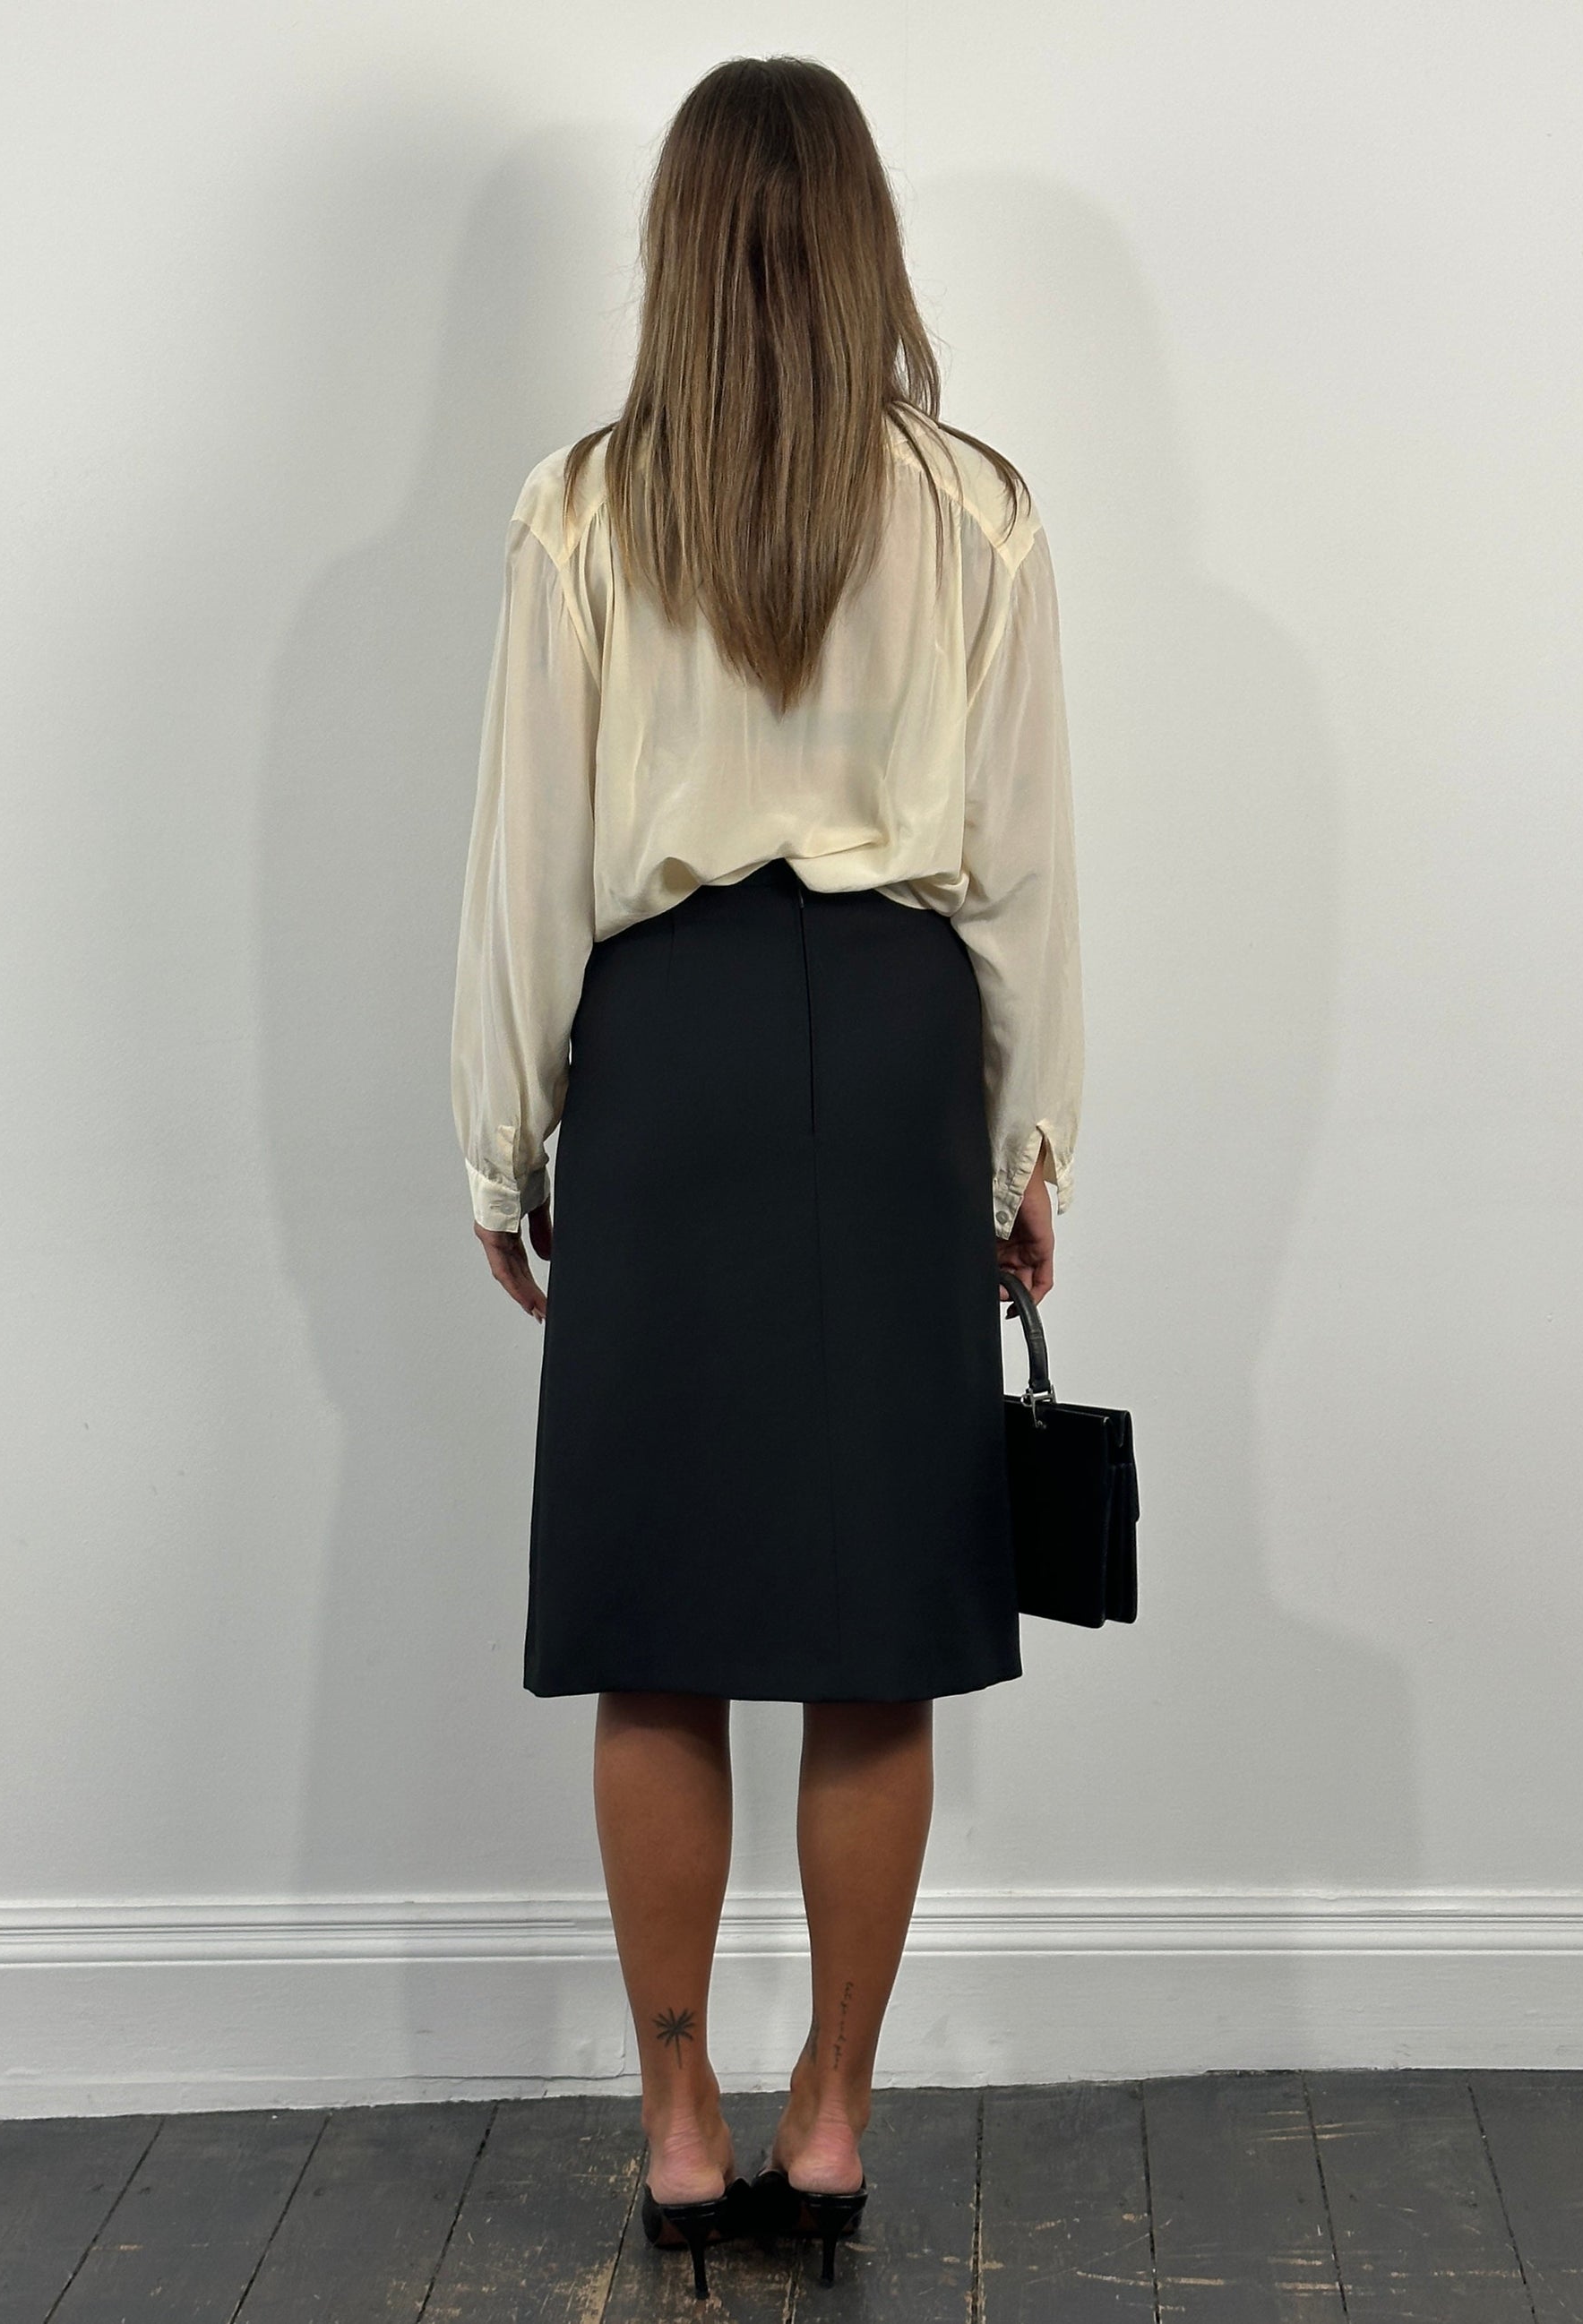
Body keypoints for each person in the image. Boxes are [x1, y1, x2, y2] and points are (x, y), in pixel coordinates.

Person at [449, 54, 1082, 2300]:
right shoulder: (977, 508)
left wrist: (504, 1139)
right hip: (896, 1058)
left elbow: (530, 853)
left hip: (669, 1062)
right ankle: (832, 2114)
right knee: (870, 1639)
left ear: (677, 248)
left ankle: (679, 2128)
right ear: (867, 238)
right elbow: (1020, 867)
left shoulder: (584, 508)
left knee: (659, 1637)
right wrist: (1024, 1140)